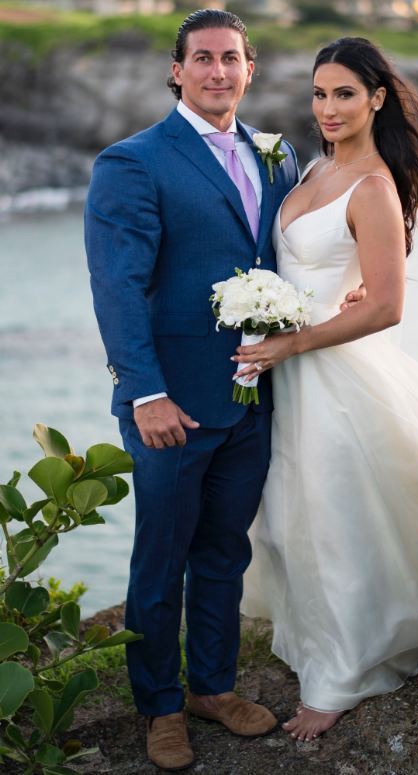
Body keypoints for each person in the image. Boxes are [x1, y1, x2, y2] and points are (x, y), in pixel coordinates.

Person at [85, 10, 363, 770]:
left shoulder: (276, 156)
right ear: (177, 70)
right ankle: (160, 706)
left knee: (223, 552)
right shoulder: (132, 163)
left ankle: (211, 685)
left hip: (255, 400)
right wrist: (144, 393)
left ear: (249, 68)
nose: (217, 72)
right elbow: (118, 288)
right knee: (160, 557)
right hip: (170, 403)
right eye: (201, 59)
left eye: (230, 59)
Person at [237, 37, 418, 743]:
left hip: (331, 373)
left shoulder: (374, 186)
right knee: (289, 516)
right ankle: (314, 635)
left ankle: (339, 676)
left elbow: (385, 306)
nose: (329, 107)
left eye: (345, 93)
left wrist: (291, 340)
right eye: (320, 94)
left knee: (335, 518)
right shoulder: (313, 167)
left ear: (377, 97)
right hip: (289, 373)